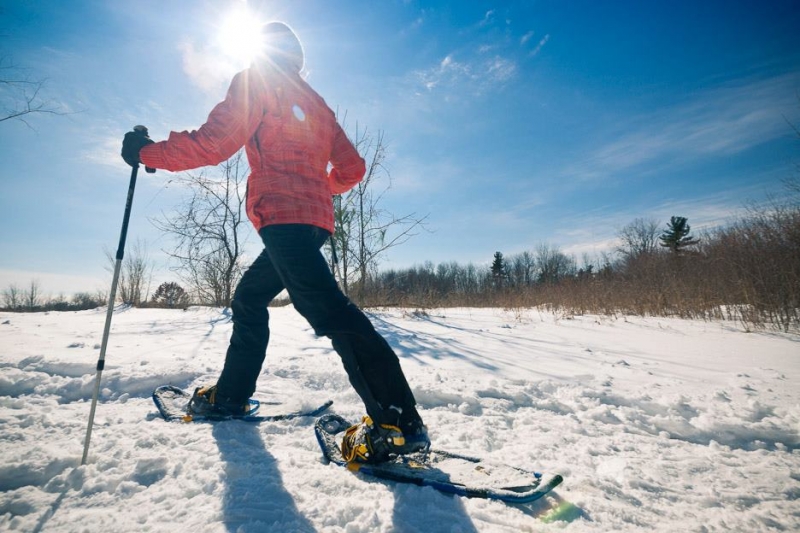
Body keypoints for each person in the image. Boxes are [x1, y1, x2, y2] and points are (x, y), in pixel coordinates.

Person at [121, 22, 428, 463]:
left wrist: (147, 153)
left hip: (283, 219)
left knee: (329, 310)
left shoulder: (255, 82)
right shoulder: (317, 104)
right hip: (314, 222)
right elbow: (353, 168)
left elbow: (215, 143)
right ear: (298, 59)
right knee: (248, 298)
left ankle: (398, 425)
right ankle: (230, 395)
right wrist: (319, 187)